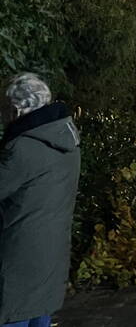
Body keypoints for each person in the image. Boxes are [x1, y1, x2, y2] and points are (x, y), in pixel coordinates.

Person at [0, 73, 81, 327]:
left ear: (16, 109)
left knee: (14, 316)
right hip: (51, 257)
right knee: (38, 315)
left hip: (18, 260)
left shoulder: (21, 148)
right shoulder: (68, 144)